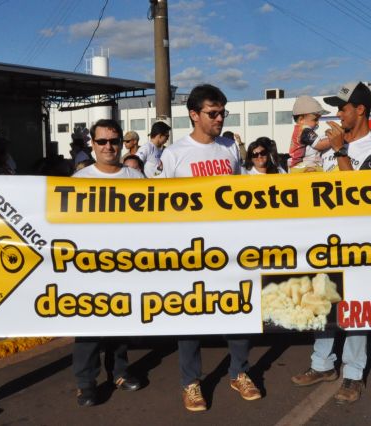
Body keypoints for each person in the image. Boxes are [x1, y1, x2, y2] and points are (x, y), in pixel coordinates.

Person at [155, 84, 261, 411]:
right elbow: (160, 204)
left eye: (222, 113)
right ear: (194, 115)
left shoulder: (229, 149)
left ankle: (239, 372)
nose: (219, 118)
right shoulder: (174, 154)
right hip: (190, 251)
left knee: (239, 310)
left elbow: (240, 195)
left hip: (229, 248)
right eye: (212, 113)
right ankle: (191, 382)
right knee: (190, 316)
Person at [291, 82, 371, 405]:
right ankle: (322, 364)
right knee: (322, 301)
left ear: (360, 110)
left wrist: (340, 151)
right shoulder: (329, 144)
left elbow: (359, 194)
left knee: (356, 308)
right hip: (324, 238)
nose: (338, 114)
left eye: (343, 108)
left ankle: (354, 373)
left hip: (360, 243)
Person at [71, 119, 143, 407]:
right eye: (102, 141)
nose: (108, 146)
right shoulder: (79, 180)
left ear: (121, 143)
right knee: (88, 326)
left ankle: (120, 372)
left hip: (125, 264)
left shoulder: (135, 178)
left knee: (120, 321)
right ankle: (85, 383)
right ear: (92, 144)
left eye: (113, 141)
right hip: (89, 266)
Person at [288, 95, 331, 172]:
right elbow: (320, 145)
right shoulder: (305, 131)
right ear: (301, 119)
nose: (318, 122)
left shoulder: (300, 130)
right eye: (315, 119)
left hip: (299, 167)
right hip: (302, 167)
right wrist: (335, 137)